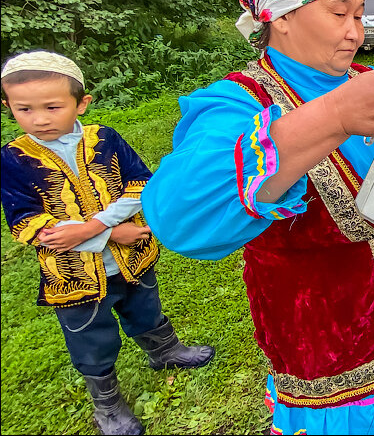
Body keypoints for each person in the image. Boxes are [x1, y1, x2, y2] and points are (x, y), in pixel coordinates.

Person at [141, 0, 374, 435]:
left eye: (360, 14)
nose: (356, 32)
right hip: (327, 345)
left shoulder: (369, 81)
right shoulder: (237, 102)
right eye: (338, 13)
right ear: (279, 17)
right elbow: (179, 217)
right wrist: (334, 115)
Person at [0, 51, 214, 436]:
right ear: (8, 107)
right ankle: (108, 405)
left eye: (52, 106)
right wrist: (110, 232)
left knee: (146, 308)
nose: (40, 119)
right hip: (73, 276)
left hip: (133, 258)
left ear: (81, 103)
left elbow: (141, 184)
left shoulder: (105, 139)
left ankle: (164, 351)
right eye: (24, 109)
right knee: (91, 339)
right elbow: (28, 224)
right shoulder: (13, 160)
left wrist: (91, 225)